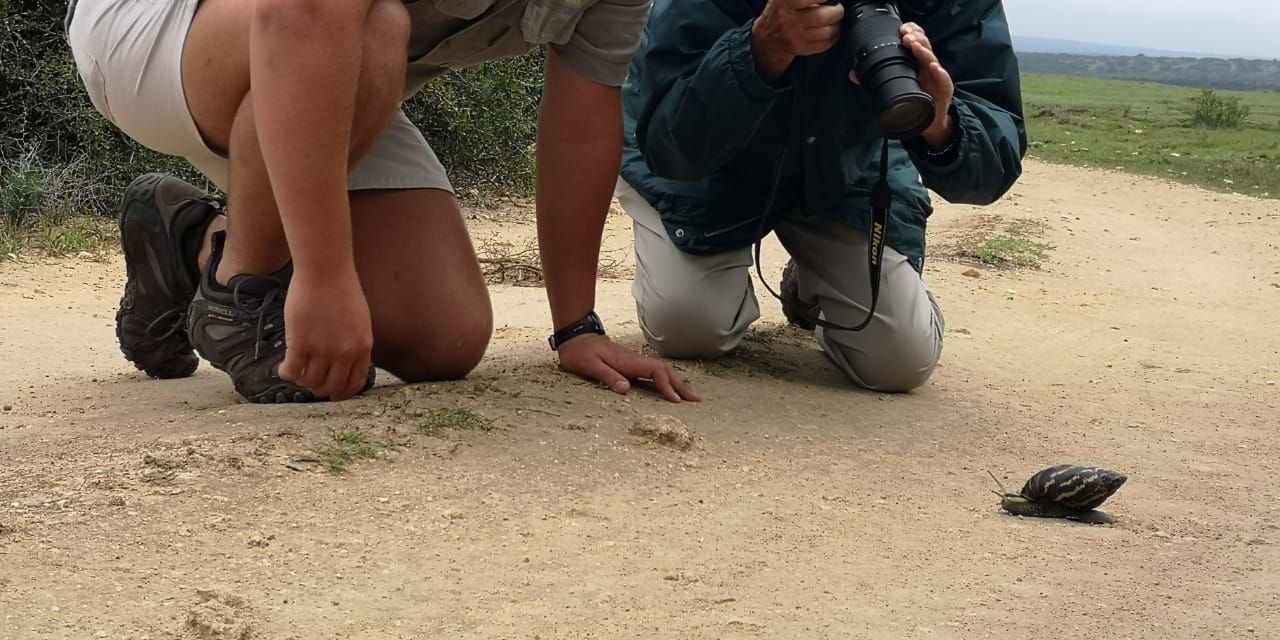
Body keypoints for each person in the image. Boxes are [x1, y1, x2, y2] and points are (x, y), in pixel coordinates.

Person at [64, 0, 699, 404]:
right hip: (159, 27)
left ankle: (191, 242)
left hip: (334, 66)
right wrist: (324, 275)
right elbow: (303, 12)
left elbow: (582, 120)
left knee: (442, 338)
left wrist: (577, 327)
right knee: (375, 21)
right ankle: (242, 284)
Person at [614, 0, 1026, 392]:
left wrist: (940, 125)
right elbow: (669, 144)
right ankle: (720, 274)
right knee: (690, 327)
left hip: (844, 166)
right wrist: (761, 47)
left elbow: (994, 165)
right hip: (711, 159)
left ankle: (808, 287)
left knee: (899, 360)